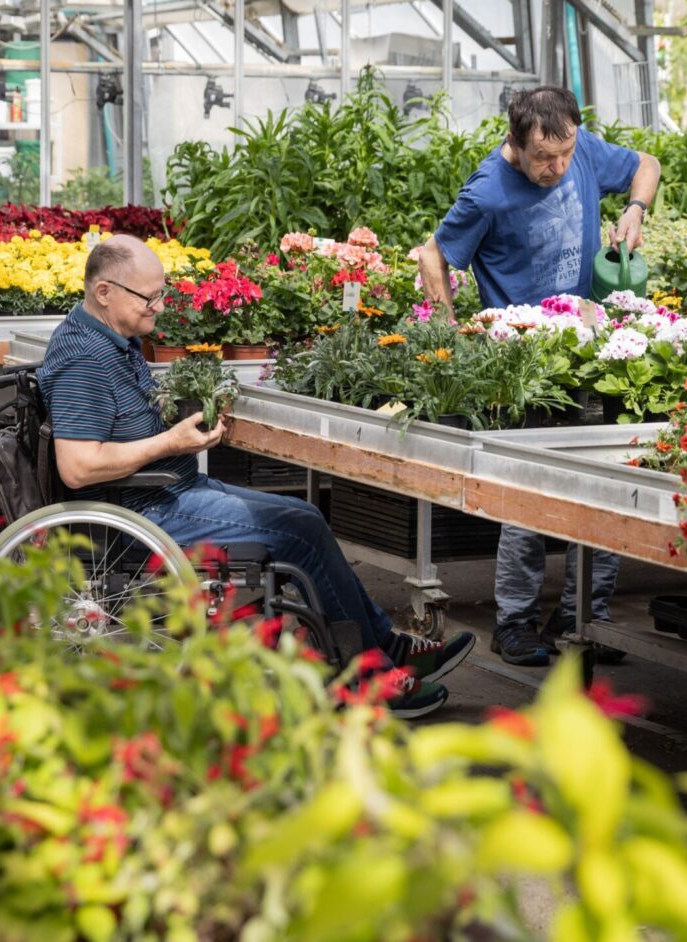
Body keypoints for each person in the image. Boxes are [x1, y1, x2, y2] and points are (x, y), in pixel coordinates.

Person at [38, 234, 475, 717]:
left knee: (306, 515)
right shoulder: (84, 359)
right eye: (150, 297)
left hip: (168, 492)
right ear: (104, 292)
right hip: (145, 514)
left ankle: (386, 648)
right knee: (300, 531)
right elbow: (77, 467)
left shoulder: (112, 341)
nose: (159, 306)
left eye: (162, 293)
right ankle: (369, 678)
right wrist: (171, 443)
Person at [418, 86, 660, 667]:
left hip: (590, 354)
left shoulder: (582, 149)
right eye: (543, 158)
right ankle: (515, 622)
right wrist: (452, 333)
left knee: (605, 486)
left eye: (565, 153)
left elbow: (647, 165)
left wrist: (634, 209)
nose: (557, 167)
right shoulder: (488, 190)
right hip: (524, 367)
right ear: (516, 142)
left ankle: (584, 618)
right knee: (527, 496)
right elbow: (431, 255)